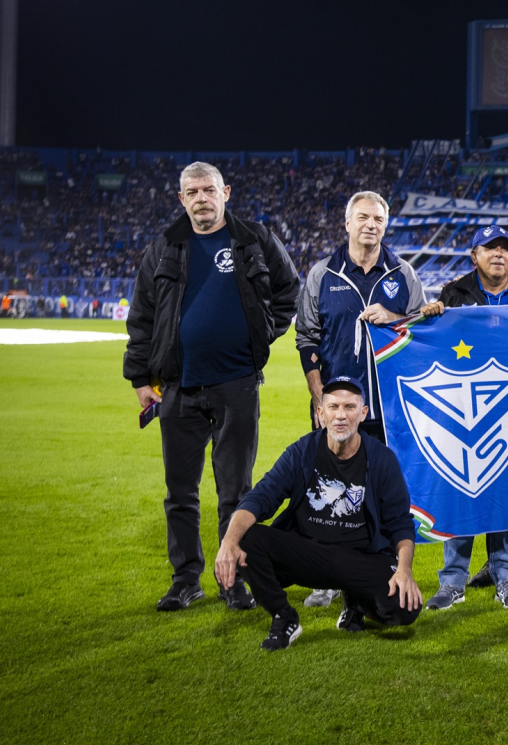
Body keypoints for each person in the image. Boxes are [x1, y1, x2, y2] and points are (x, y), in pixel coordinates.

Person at [124, 161, 300, 613]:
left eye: (208, 190)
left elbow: (289, 291)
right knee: (180, 492)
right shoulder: (165, 246)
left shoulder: (254, 239)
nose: (201, 198)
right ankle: (186, 580)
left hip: (236, 384)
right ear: (181, 199)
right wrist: (140, 378)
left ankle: (233, 580)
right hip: (178, 386)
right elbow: (142, 316)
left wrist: (260, 334)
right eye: (192, 192)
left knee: (236, 492)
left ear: (226, 192)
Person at [213, 376, 422, 651]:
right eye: (333, 407)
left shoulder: (382, 458)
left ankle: (357, 602)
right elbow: (261, 497)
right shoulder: (302, 451)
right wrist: (229, 541)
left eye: (349, 407)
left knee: (406, 607)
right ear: (320, 414)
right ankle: (284, 616)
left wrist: (404, 570)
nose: (340, 415)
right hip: (308, 554)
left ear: (363, 413)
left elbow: (400, 523)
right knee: (244, 538)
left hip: (360, 558)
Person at [293, 190, 424, 609]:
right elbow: (307, 338)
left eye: (378, 219)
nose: (371, 225)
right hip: (337, 411)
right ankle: (326, 578)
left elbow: (420, 332)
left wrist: (397, 318)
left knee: (385, 494)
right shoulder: (323, 273)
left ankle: (384, 567)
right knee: (327, 492)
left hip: (389, 410)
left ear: (386, 225)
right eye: (363, 217)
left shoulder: (403, 273)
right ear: (347, 223)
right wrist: (320, 399)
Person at [417, 224, 508, 611]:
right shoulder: (454, 294)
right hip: (464, 408)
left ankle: (506, 578)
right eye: (489, 248)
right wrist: (430, 318)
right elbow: (436, 350)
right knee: (461, 490)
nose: (498, 254)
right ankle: (453, 581)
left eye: (504, 249)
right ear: (474, 256)